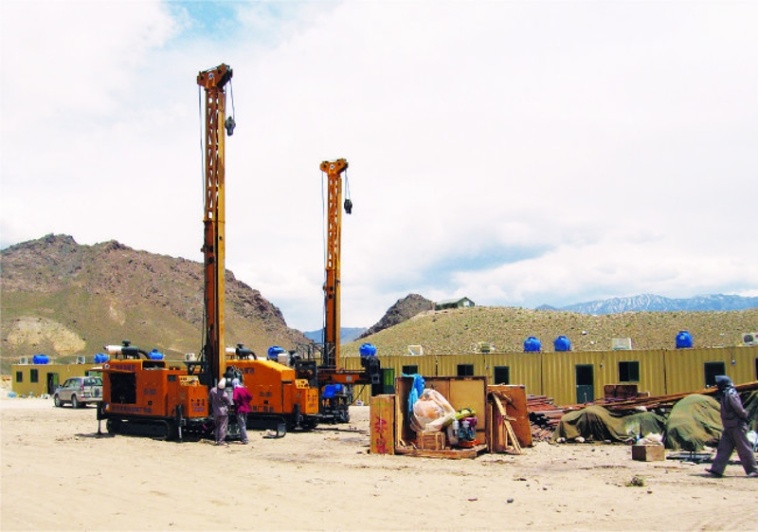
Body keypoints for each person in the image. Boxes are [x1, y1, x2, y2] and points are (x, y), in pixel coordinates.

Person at [705, 375, 758, 478]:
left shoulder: (731, 394)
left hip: (737, 426)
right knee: (723, 449)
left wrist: (744, 416)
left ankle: (753, 470)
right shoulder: (725, 394)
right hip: (729, 426)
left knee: (744, 449)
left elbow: (738, 408)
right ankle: (716, 470)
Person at [209, 378, 233, 446]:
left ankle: (216, 440)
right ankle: (221, 441)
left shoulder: (212, 390)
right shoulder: (224, 394)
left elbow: (210, 399)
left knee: (217, 426)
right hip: (223, 412)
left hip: (215, 411)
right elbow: (228, 403)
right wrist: (229, 409)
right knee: (222, 426)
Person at [232, 378, 253, 445]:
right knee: (244, 424)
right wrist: (246, 402)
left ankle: (244, 439)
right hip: (246, 408)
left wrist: (237, 404)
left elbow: (234, 398)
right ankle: (244, 438)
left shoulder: (236, 390)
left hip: (240, 409)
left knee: (241, 425)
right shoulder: (244, 389)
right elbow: (250, 396)